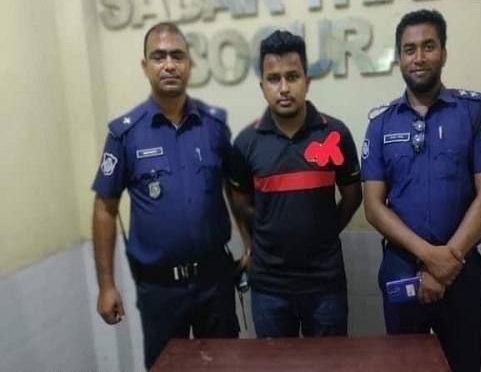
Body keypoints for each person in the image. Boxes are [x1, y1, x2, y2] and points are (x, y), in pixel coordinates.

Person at [361, 9, 481, 372]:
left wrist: (447, 263)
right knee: (404, 366)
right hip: (402, 269)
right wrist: (431, 257)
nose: (419, 57)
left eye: (428, 46)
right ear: (399, 58)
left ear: (443, 52)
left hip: (463, 269)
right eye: (409, 49)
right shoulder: (381, 124)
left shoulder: (474, 112)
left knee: (463, 365)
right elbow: (373, 207)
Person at [91, 22, 238, 370]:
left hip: (215, 283)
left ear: (190, 64)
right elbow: (104, 208)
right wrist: (106, 285)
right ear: (145, 67)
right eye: (159, 57)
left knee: (225, 366)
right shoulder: (125, 134)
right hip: (159, 290)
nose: (169, 64)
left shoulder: (214, 127)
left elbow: (235, 188)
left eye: (177, 56)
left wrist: (250, 244)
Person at [228, 30, 363, 338]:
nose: (284, 88)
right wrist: (258, 240)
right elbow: (239, 202)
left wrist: (326, 230)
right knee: (276, 363)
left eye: (292, 76)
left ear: (307, 81)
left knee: (329, 362)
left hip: (325, 285)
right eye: (274, 79)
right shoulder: (246, 143)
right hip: (269, 288)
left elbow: (353, 196)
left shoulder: (336, 134)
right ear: (262, 86)